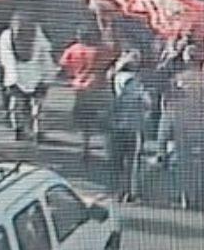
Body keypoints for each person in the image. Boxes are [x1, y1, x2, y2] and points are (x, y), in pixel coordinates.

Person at [0, 12, 56, 141]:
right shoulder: (6, 37)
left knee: (37, 108)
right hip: (17, 79)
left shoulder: (38, 35)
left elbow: (45, 57)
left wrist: (47, 78)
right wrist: (12, 82)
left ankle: (38, 131)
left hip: (36, 77)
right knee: (16, 107)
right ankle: (19, 129)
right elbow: (7, 60)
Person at [60, 28, 113, 160]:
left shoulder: (73, 49)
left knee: (84, 118)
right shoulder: (100, 49)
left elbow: (63, 65)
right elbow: (111, 60)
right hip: (98, 86)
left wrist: (70, 76)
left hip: (79, 87)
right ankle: (108, 147)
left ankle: (85, 145)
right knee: (102, 117)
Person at [108, 50, 151, 203]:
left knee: (117, 160)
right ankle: (130, 193)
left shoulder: (114, 78)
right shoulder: (133, 81)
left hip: (116, 125)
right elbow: (145, 102)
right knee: (132, 161)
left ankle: (117, 191)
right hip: (132, 126)